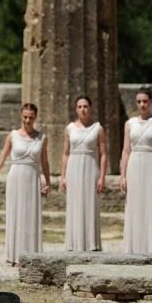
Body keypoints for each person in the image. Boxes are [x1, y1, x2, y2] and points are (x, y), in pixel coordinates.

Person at [0, 103, 50, 266]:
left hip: (33, 177)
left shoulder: (42, 138)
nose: (27, 120)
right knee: (16, 214)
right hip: (16, 177)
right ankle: (15, 255)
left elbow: (45, 162)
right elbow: (2, 158)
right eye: (25, 117)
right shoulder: (13, 135)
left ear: (35, 118)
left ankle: (31, 255)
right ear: (21, 116)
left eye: (31, 118)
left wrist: (47, 181)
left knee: (31, 216)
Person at [120, 87, 152, 254]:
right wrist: (123, 175)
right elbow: (126, 150)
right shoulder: (129, 124)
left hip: (151, 164)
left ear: (151, 102)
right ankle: (133, 247)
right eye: (139, 101)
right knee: (134, 204)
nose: (142, 105)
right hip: (134, 165)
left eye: (145, 101)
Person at [60, 95, 108, 252]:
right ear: (76, 109)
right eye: (80, 106)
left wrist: (102, 177)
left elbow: (103, 154)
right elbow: (65, 153)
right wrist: (63, 176)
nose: (83, 109)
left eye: (86, 106)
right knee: (74, 204)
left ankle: (91, 243)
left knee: (90, 204)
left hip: (91, 167)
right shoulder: (69, 128)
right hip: (73, 168)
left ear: (91, 108)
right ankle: (74, 243)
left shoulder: (98, 128)